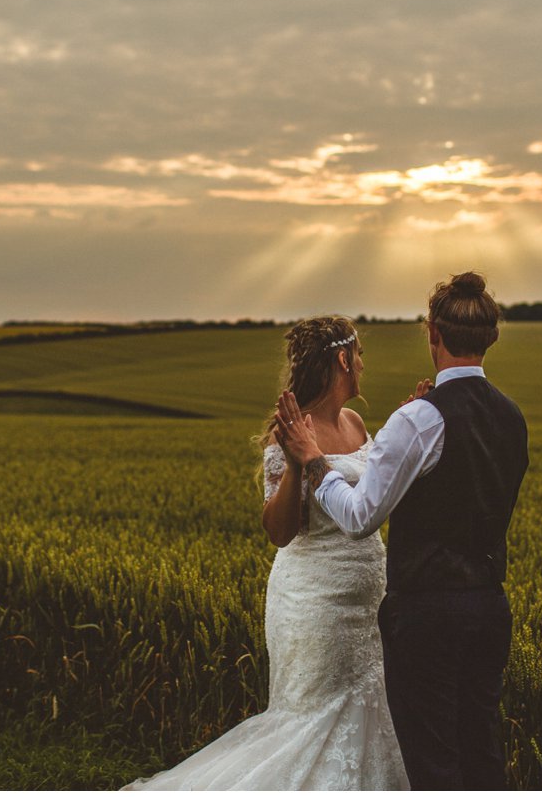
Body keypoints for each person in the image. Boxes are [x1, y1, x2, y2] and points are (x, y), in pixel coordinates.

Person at [125, 315, 410, 790]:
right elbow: (280, 532)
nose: (363, 363)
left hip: (368, 604)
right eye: (359, 354)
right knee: (315, 717)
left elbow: (378, 492)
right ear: (343, 359)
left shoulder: (357, 423)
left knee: (371, 710)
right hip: (315, 604)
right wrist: (299, 463)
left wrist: (407, 425)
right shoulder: (292, 431)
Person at [275, 271, 529, 789]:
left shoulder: (418, 420)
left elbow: (360, 515)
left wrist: (313, 461)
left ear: (432, 333)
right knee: (481, 751)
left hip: (429, 613)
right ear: (492, 336)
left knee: (432, 761)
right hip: (489, 607)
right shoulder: (512, 416)